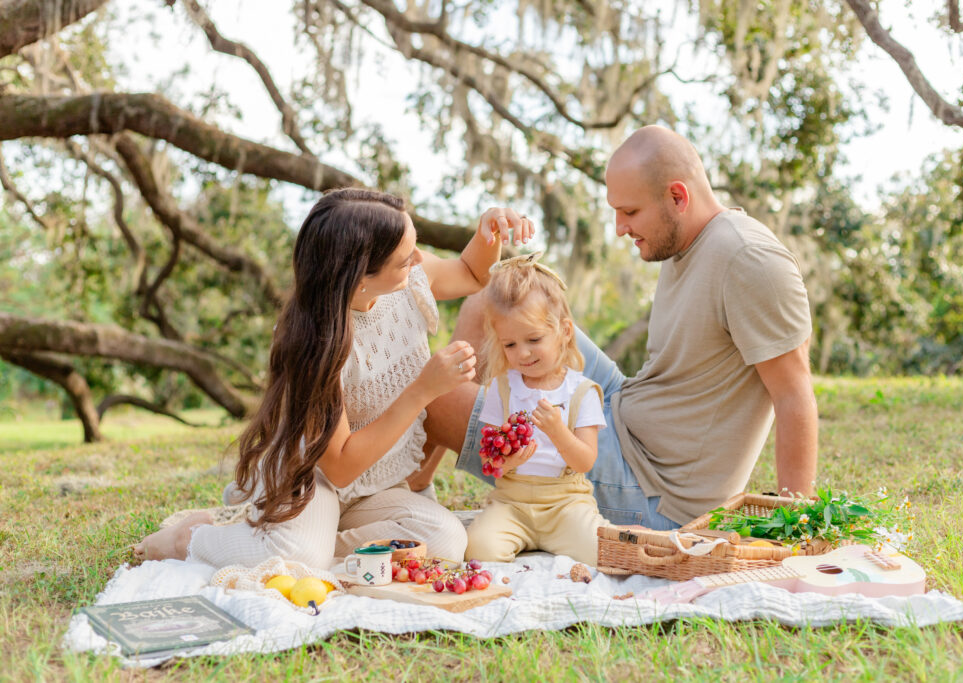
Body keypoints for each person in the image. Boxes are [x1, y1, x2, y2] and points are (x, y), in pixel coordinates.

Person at [426, 125, 817, 530]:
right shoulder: (688, 241)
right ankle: (418, 493)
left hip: (651, 491)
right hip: (624, 410)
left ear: (678, 197)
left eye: (630, 212)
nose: (619, 227)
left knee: (437, 396)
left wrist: (798, 527)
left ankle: (409, 504)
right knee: (492, 296)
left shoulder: (748, 259)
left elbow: (793, 393)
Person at [133, 188, 535, 568]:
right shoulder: (313, 341)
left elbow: (469, 272)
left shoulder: (406, 275)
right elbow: (339, 466)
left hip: (375, 484)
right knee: (300, 559)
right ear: (358, 275)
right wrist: (424, 390)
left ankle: (306, 539)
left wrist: (488, 231)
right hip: (310, 475)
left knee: (444, 540)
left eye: (414, 248)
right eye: (404, 257)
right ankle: (193, 538)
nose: (417, 261)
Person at [463, 253, 608, 565]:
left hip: (566, 503)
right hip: (511, 502)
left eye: (533, 339)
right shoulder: (501, 388)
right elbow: (488, 457)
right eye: (510, 345)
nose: (523, 353)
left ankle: (561, 540)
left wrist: (557, 431)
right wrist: (507, 461)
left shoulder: (582, 391)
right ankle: (522, 539)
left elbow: (584, 461)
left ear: (565, 331)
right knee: (479, 549)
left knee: (601, 551)